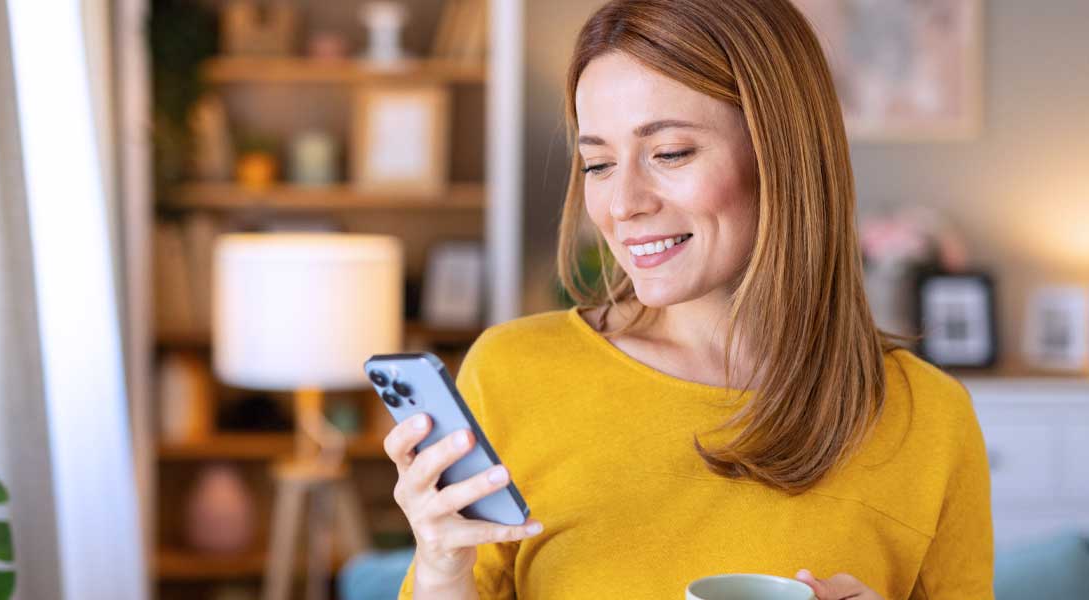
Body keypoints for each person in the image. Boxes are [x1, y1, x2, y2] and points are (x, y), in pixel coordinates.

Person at [383, 0, 994, 598]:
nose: (622, 204)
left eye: (670, 153)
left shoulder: (930, 418)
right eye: (598, 163)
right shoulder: (514, 372)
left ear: (781, 157)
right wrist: (441, 569)